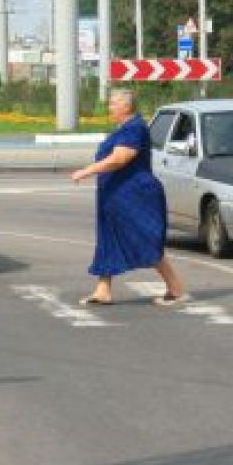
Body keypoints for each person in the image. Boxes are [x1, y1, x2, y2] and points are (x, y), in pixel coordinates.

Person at [71, 88, 187, 306]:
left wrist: (87, 171)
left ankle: (176, 289)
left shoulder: (134, 128)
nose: (110, 107)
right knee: (109, 240)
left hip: (135, 196)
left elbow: (119, 159)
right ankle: (103, 290)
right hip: (116, 197)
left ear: (126, 106)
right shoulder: (123, 128)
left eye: (114, 103)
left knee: (145, 239)